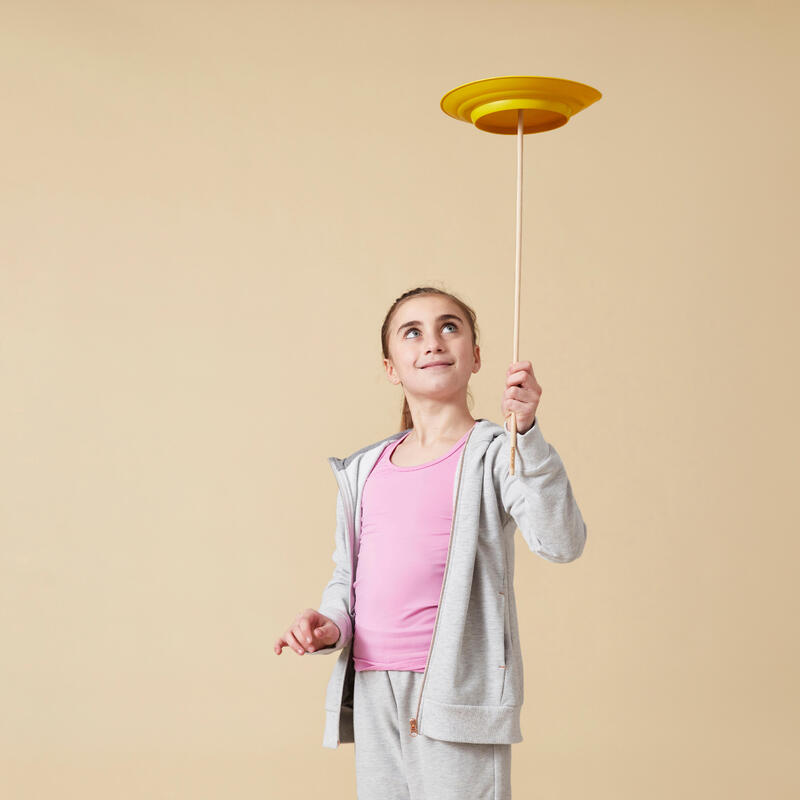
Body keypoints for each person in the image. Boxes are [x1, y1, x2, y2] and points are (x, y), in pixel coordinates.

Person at [274, 286, 587, 799]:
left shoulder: (493, 454)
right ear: (391, 367)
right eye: (412, 332)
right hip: (375, 689)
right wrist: (331, 625)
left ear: (476, 357)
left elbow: (561, 541)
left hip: (455, 692)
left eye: (450, 327)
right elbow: (348, 583)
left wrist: (526, 433)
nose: (433, 342)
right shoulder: (363, 471)